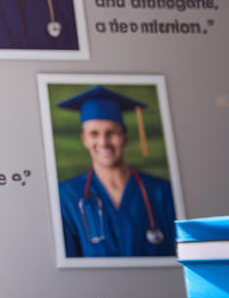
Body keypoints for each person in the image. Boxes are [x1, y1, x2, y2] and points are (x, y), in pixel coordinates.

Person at [56, 86, 177, 257]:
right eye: (94, 134)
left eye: (111, 133)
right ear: (84, 138)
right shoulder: (67, 195)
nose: (103, 142)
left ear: (124, 136)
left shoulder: (161, 191)